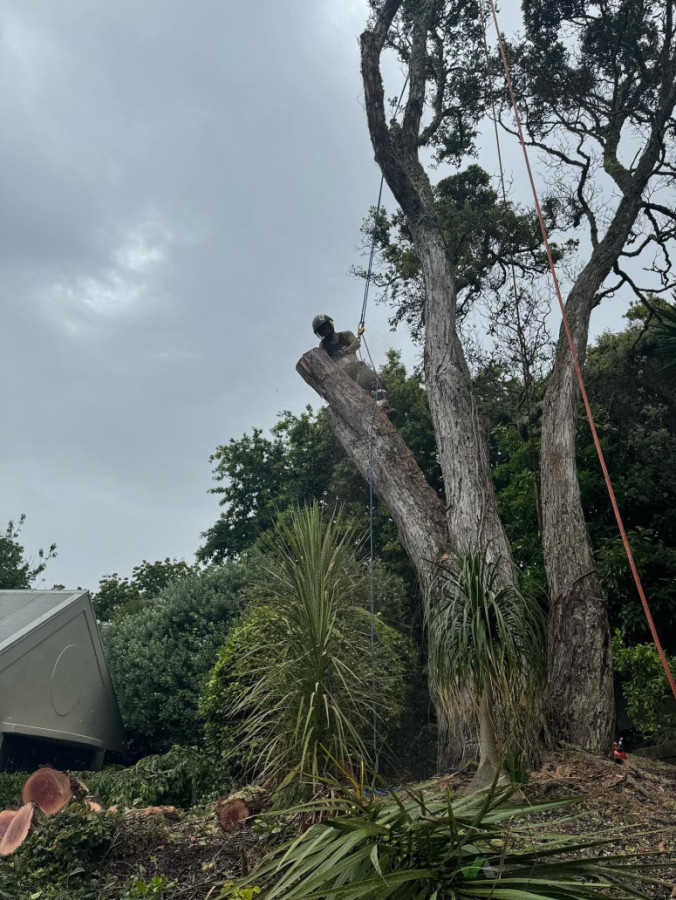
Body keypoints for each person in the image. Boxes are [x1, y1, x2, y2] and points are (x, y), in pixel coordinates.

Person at [312, 314, 396, 418]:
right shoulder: (323, 346)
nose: (324, 331)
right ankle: (367, 415)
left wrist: (346, 350)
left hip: (357, 369)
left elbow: (357, 343)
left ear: (330, 325)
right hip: (342, 376)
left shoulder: (345, 335)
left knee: (377, 382)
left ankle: (383, 408)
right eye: (321, 330)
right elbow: (324, 361)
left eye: (325, 328)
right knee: (357, 399)